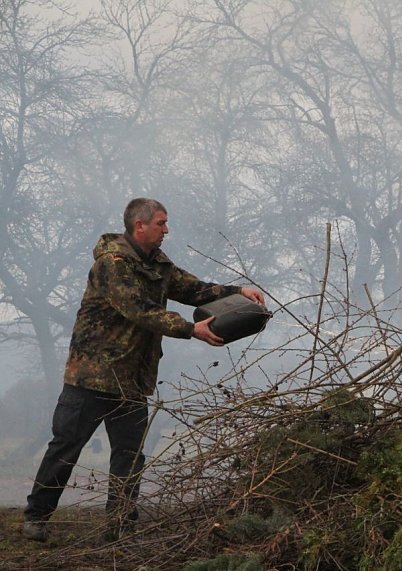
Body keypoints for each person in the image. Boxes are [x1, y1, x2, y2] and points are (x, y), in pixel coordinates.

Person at [21, 198, 265, 542]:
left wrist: (238, 290)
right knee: (65, 449)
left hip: (133, 381)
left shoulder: (159, 264)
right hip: (91, 377)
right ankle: (36, 517)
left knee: (129, 458)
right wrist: (189, 329)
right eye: (161, 223)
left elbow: (194, 289)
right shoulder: (113, 264)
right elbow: (139, 310)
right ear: (140, 225)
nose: (166, 230)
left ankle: (119, 528)